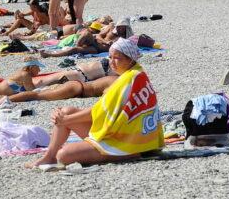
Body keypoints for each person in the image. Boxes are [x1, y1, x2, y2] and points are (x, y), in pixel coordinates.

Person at [27, 39, 164, 169]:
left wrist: (65, 120)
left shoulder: (128, 80)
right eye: (110, 57)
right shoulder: (136, 73)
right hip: (134, 136)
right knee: (66, 111)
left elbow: (100, 112)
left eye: (117, 58)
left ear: (131, 59)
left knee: (63, 155)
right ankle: (49, 157)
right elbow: (102, 109)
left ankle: (130, 154)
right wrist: (65, 118)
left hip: (129, 143)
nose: (112, 62)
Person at [0, 74, 117, 107]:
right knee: (38, 96)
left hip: (76, 86)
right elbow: (107, 97)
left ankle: (7, 99)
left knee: (40, 94)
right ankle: (7, 99)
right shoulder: (117, 82)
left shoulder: (114, 78)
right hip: (77, 89)